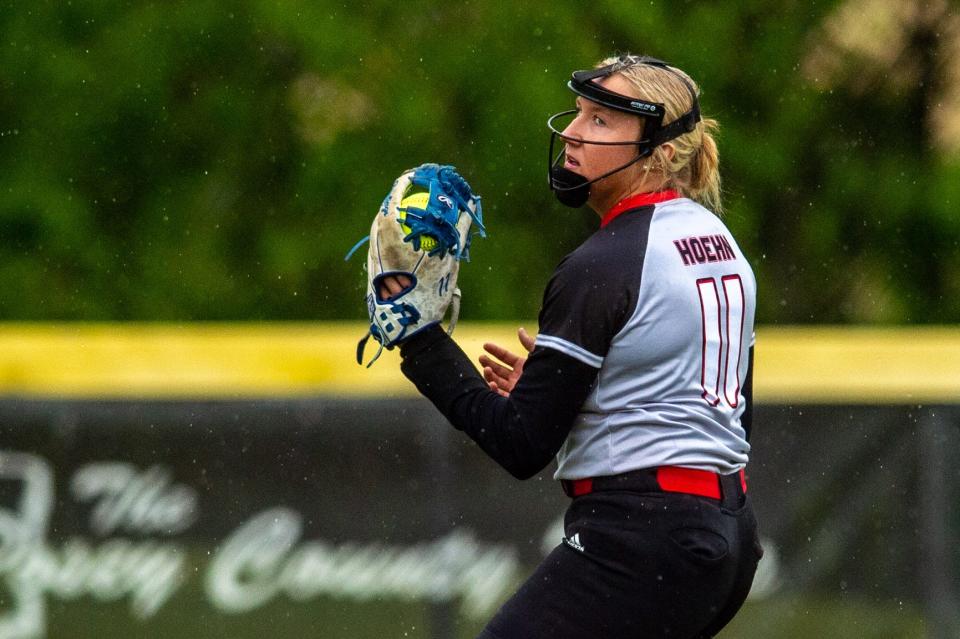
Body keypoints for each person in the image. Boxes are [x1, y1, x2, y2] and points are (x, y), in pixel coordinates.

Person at [378, 54, 761, 639]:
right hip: (724, 535)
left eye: (603, 120)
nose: (574, 133)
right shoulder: (720, 243)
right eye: (580, 112)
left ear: (660, 148)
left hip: (642, 540)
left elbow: (521, 443)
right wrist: (575, 392)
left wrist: (417, 337)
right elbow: (724, 419)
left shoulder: (605, 263)